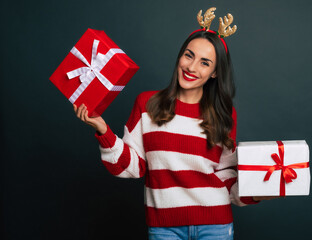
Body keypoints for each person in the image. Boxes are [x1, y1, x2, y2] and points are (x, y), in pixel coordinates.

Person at [74, 7, 276, 240]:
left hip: (216, 227)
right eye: (189, 55)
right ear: (180, 55)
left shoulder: (224, 113)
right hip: (164, 229)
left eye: (204, 63)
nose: (191, 67)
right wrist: (103, 130)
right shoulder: (147, 104)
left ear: (214, 73)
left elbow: (226, 177)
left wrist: (259, 193)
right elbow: (132, 167)